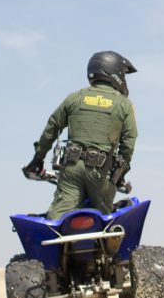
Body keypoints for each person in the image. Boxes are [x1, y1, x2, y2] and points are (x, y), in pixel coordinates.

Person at [23, 51, 138, 220]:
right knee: (104, 222)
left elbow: (51, 129)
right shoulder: (124, 105)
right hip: (101, 174)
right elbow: (128, 145)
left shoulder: (74, 98)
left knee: (57, 221)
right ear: (116, 74)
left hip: (71, 168)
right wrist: (121, 173)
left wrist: (38, 158)